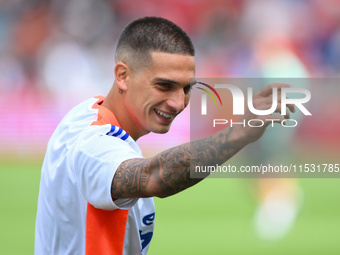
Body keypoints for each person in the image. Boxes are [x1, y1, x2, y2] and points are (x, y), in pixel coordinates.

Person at [34, 17, 295, 255]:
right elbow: (154, 177)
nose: (178, 103)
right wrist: (240, 132)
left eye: (186, 89)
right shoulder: (94, 147)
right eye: (164, 86)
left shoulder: (88, 113)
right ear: (122, 76)